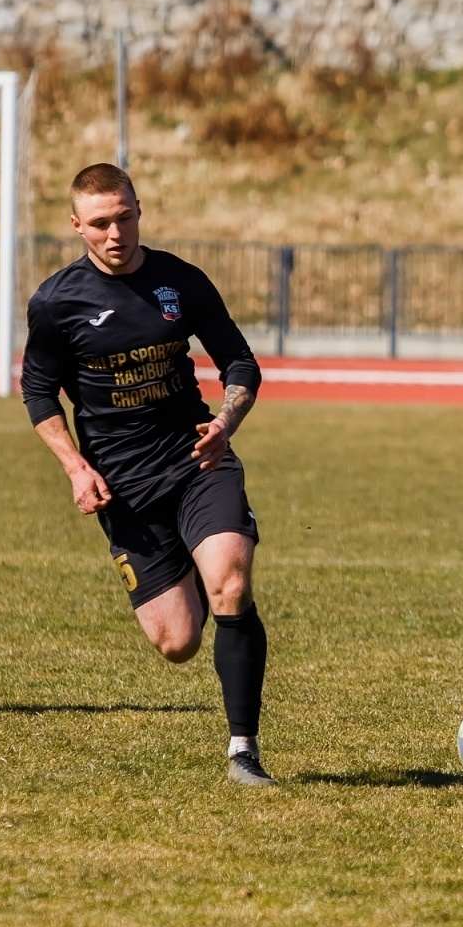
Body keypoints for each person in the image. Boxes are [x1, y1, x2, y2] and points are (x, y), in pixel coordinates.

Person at [21, 163, 276, 787]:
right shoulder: (57, 302)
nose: (116, 233)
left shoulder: (180, 282)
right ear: (77, 225)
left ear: (140, 210)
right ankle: (189, 557)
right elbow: (37, 392)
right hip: (123, 488)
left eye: (125, 217)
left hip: (196, 462)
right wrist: (75, 467)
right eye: (101, 223)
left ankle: (243, 751)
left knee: (232, 588)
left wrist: (226, 422)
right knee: (177, 642)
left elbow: (240, 363)